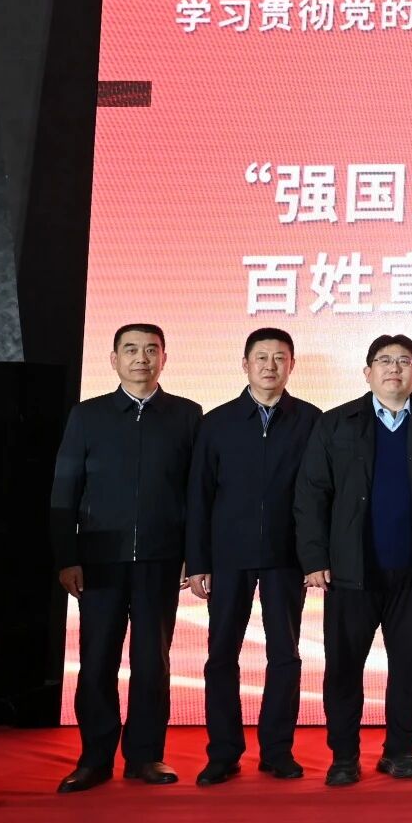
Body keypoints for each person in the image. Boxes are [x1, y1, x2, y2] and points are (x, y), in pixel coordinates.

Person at [294, 334, 412, 787]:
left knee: (411, 665)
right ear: (367, 372)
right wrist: (314, 557)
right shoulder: (336, 423)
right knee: (344, 667)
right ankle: (344, 756)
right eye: (384, 361)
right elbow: (311, 495)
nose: (394, 369)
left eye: (404, 361)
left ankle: (400, 751)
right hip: (351, 572)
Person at [48, 323, 201, 793]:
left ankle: (146, 756)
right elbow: (64, 491)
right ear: (114, 359)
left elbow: (197, 494)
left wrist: (193, 555)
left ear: (164, 358)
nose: (141, 358)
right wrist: (67, 556)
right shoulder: (87, 415)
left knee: (152, 662)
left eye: (151, 350)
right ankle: (94, 759)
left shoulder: (186, 415)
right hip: (99, 560)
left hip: (162, 558)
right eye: (130, 350)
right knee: (97, 660)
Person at [185, 327, 322, 785]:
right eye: (261, 357)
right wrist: (197, 561)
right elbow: (199, 496)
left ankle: (277, 750)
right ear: (244, 365)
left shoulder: (311, 421)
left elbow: (320, 495)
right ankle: (223, 753)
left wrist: (314, 556)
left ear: (291, 365)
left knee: (285, 655)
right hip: (228, 556)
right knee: (221, 655)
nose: (270, 366)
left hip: (287, 556)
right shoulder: (217, 422)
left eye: (279, 357)